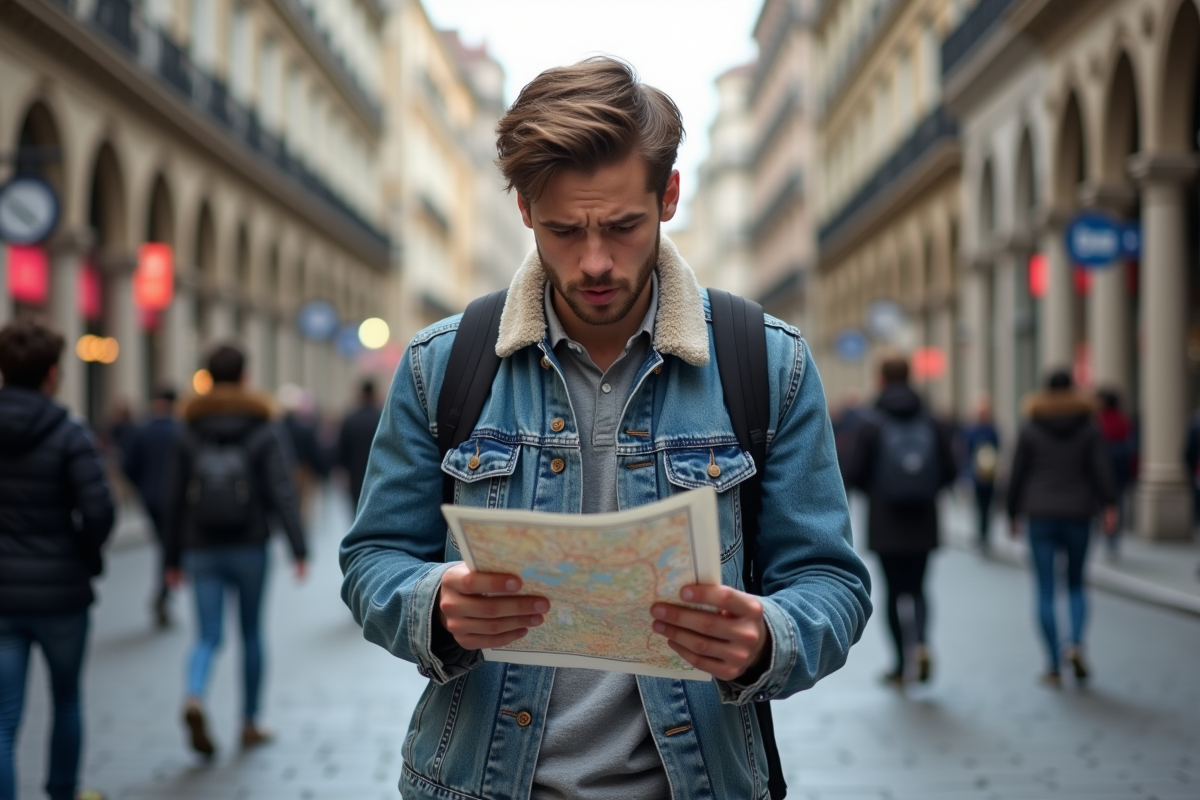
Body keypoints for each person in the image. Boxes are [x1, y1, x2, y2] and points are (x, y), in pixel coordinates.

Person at [339, 57, 872, 800]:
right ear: (525, 210)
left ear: (670, 196)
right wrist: (434, 603)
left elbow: (832, 582)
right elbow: (372, 559)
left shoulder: (765, 361)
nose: (594, 262)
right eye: (564, 230)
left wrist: (767, 637)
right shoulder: (443, 363)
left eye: (623, 226)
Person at [162, 344, 308, 757]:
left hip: (200, 546)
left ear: (206, 377)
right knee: (251, 634)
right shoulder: (263, 425)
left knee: (207, 635)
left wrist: (170, 560)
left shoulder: (188, 428)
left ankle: (194, 693)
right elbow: (282, 489)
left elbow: (173, 500)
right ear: (246, 376)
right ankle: (249, 721)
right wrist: (299, 547)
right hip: (249, 546)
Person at [0, 317, 115, 800]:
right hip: (62, 595)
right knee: (66, 700)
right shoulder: (70, 432)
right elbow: (99, 511)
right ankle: (62, 793)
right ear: (52, 374)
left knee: (4, 719)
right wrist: (83, 556)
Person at [844, 356, 956, 688]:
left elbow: (853, 472)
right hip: (924, 518)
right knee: (919, 588)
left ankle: (899, 663)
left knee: (893, 591)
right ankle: (921, 642)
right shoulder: (931, 420)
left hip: (885, 520)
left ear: (881, 379)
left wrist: (878, 491)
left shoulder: (870, 423)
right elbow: (950, 469)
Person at [1006, 369, 1117, 688]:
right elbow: (1101, 470)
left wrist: (1012, 512)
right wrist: (1109, 505)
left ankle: (1053, 663)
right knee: (1076, 584)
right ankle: (1076, 645)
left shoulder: (1031, 426)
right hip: (1079, 512)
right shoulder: (1088, 427)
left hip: (1039, 513)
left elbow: (1018, 472)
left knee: (1044, 589)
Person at [123, 386, 181, 627]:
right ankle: (164, 592)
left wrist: (142, 487)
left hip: (151, 498)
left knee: (165, 544)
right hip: (176, 499)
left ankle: (164, 591)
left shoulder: (143, 431)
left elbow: (128, 465)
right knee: (170, 545)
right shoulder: (180, 430)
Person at [1096, 388, 1133, 559]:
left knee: (1103, 504)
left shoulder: (1097, 421)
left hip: (1103, 471)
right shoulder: (1124, 420)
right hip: (1120, 471)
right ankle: (1113, 538)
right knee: (1117, 504)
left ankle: (1107, 536)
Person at [961, 396, 1001, 554]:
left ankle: (985, 536)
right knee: (980, 507)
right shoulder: (973, 430)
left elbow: (998, 450)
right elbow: (966, 451)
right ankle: (980, 535)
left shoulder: (992, 429)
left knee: (987, 507)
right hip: (977, 474)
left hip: (989, 474)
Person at [335, 379, 382, 510]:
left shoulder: (350, 420)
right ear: (374, 394)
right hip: (378, 477)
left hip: (355, 477)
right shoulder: (382, 419)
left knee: (356, 513)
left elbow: (341, 451)